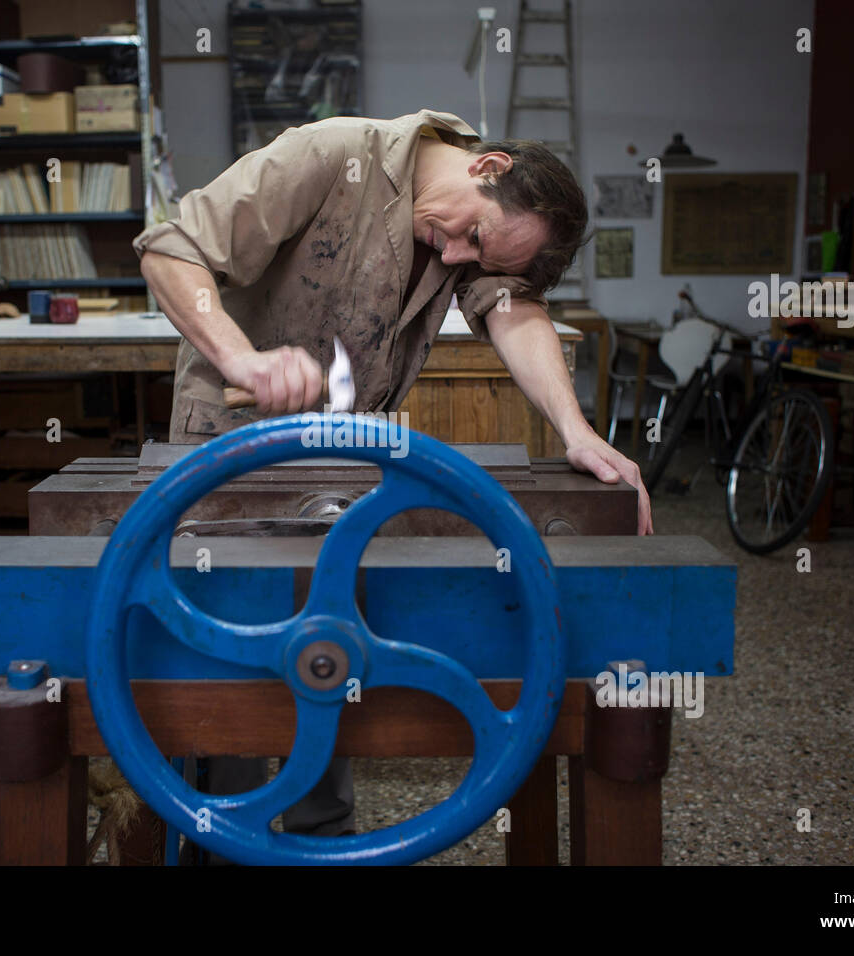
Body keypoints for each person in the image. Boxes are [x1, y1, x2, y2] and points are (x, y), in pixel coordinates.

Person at [133, 108, 653, 846]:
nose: (459, 256)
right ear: (489, 166)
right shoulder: (331, 153)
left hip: (342, 461)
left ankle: (324, 839)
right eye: (470, 237)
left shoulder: (472, 241)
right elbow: (172, 250)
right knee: (233, 659)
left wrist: (577, 431)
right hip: (230, 451)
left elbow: (515, 313)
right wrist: (241, 359)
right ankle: (227, 842)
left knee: (332, 634)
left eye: (478, 259)